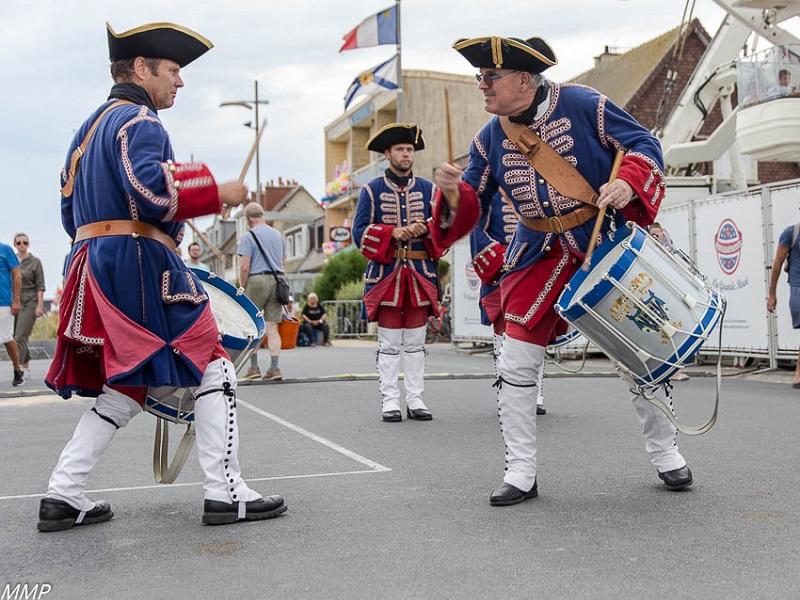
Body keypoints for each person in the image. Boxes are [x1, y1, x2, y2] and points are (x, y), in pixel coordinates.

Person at [40, 22, 286, 532]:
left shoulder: (85, 132)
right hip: (139, 265)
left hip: (94, 264)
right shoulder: (139, 120)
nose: (180, 82)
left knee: (128, 384)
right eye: (172, 71)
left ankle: (63, 492)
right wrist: (218, 193)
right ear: (140, 69)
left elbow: (69, 214)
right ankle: (225, 492)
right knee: (213, 363)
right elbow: (152, 193)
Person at [432, 35, 693, 506]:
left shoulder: (583, 103)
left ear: (524, 79)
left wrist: (627, 183)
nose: (481, 87)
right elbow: (471, 206)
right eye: (480, 78)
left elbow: (643, 143)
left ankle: (665, 451)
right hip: (537, 252)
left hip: (601, 240)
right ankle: (521, 470)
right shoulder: (489, 137)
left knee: (639, 356)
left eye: (489, 78)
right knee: (514, 361)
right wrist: (451, 193)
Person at [353, 123, 442, 422]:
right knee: (390, 344)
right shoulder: (372, 189)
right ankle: (390, 401)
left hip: (419, 274)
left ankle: (416, 399)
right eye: (400, 149)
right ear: (387, 154)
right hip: (387, 274)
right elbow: (359, 235)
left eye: (409, 150)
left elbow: (444, 230)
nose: (406, 154)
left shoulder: (429, 189)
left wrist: (427, 227)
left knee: (416, 343)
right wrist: (394, 233)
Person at [471, 191, 547, 414]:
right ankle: (508, 391)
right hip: (500, 274)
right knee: (504, 335)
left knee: (535, 332)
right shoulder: (489, 196)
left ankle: (536, 392)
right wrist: (504, 259)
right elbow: (478, 232)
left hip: (532, 269)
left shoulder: (533, 191)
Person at [237, 202, 287, 381]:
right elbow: (283, 263)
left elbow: (244, 266)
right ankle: (274, 368)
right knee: (272, 326)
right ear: (262, 215)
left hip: (257, 280)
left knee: (252, 326)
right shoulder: (278, 235)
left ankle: (254, 367)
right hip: (277, 280)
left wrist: (242, 286)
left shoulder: (248, 236)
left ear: (249, 219)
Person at [767, 217, 800, 388]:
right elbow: (778, 263)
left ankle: (798, 374)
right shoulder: (791, 233)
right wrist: (772, 294)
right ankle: (798, 374)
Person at [12, 233, 46, 371]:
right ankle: (25, 359)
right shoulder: (11, 260)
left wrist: (40, 305)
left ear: (28, 244)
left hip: (30, 302)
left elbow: (40, 286)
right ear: (15, 244)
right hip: (14, 302)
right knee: (13, 336)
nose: (22, 245)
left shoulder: (35, 262)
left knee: (20, 335)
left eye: (25, 243)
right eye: (19, 243)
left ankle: (19, 367)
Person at [0, 240, 24, 386]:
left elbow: (17, 275)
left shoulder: (5, 249)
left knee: (6, 338)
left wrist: (16, 300)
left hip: (3, 301)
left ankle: (17, 368)